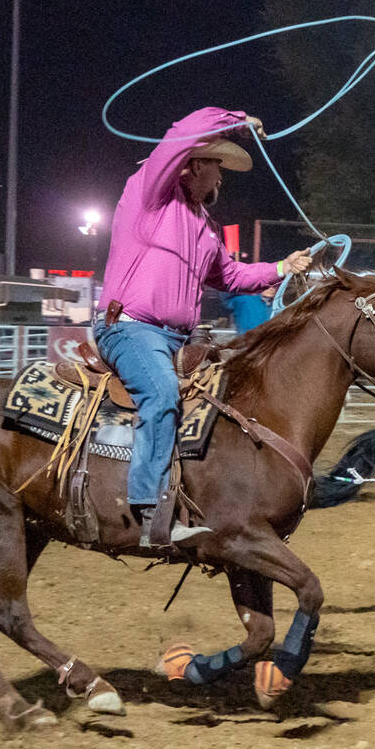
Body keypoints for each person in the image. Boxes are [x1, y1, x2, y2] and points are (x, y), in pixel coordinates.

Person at [94, 107, 313, 545]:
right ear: (193, 165)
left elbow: (231, 278)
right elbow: (180, 131)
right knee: (161, 394)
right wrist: (238, 121)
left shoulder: (205, 229)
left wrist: (281, 266)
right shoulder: (149, 197)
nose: (221, 178)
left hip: (179, 338)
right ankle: (149, 510)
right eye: (217, 167)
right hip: (131, 329)